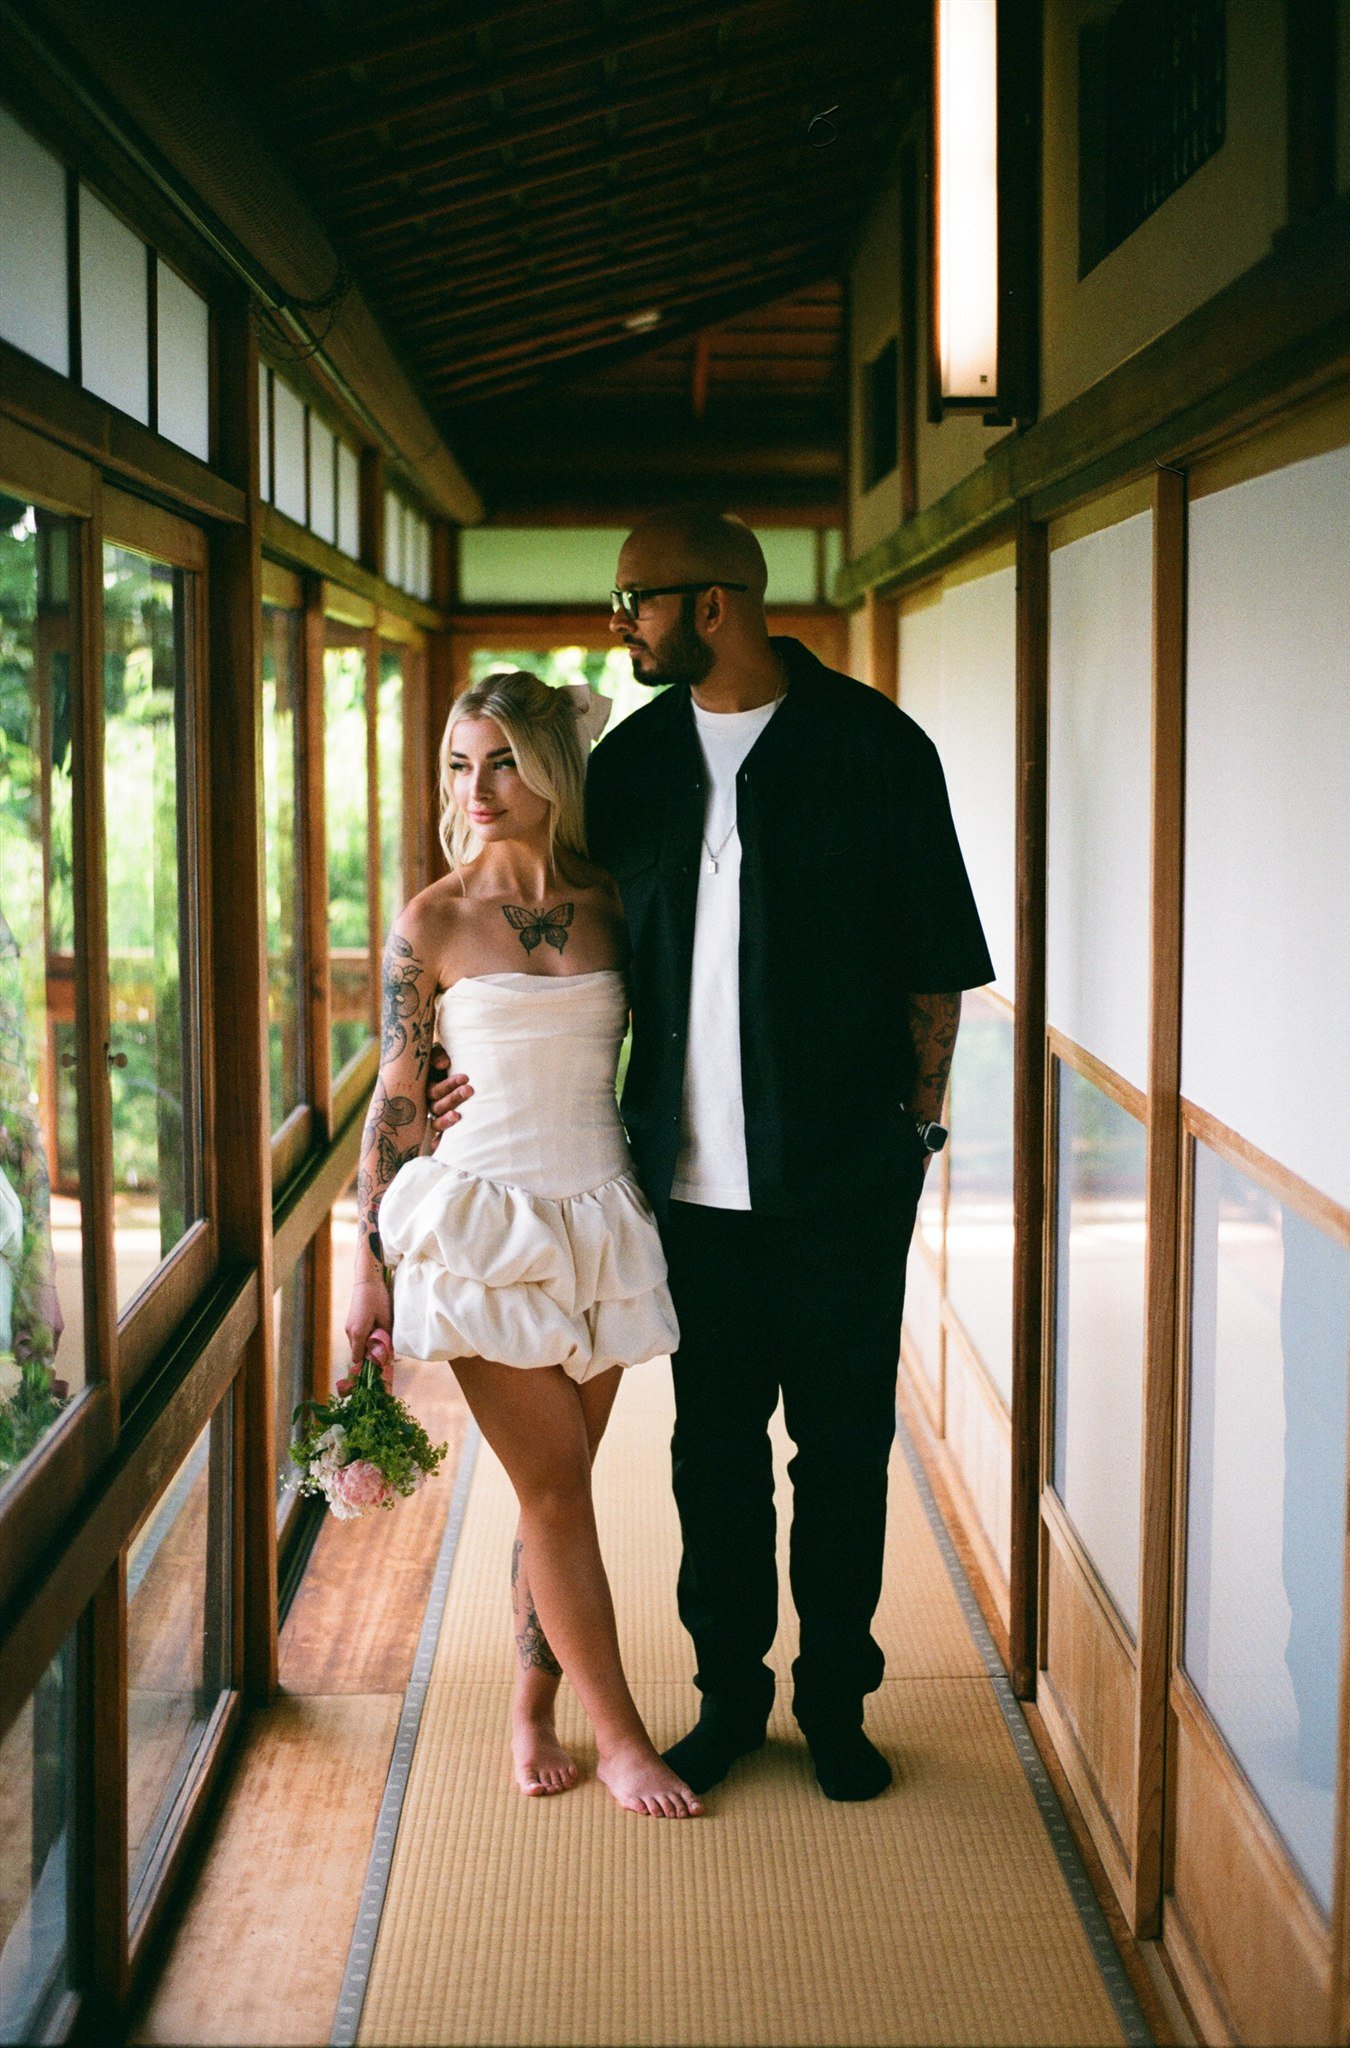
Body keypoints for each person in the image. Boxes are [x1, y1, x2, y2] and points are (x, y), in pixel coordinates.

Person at [430, 510, 992, 1803]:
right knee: (712, 1452)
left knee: (842, 1449)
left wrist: (916, 1131)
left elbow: (933, 972)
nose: (615, 625)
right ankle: (730, 1699)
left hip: (847, 1176)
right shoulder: (626, 767)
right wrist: (473, 1048)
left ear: (715, 605)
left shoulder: (873, 749)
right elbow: (549, 922)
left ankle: (838, 1703)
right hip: (680, 1185)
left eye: (633, 603)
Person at [344, 667, 701, 1819]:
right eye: (460, 762)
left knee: (562, 1493)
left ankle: (528, 1702)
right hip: (482, 1220)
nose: (478, 786)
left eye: (501, 759)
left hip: (597, 1213)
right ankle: (623, 1738)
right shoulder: (432, 917)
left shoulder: (613, 897)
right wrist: (366, 1260)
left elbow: (674, 1049)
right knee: (553, 1493)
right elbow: (398, 1094)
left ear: (551, 768)